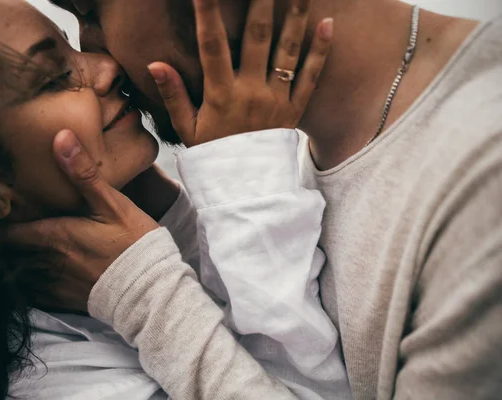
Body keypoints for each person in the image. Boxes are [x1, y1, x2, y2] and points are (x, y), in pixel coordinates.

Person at [40, 0, 502, 399]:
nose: (96, 52)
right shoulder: (278, 149)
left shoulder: (483, 179)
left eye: (90, 9)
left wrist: (147, 299)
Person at [0, 0, 344, 399]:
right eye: (55, 78)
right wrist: (147, 296)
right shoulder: (57, 385)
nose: (106, 65)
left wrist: (172, 222)